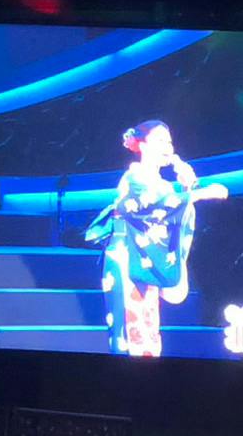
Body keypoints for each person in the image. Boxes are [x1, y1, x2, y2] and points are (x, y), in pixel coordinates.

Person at [85, 120, 228, 357]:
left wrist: (187, 188)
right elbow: (153, 204)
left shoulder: (166, 186)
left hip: (149, 258)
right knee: (127, 329)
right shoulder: (133, 177)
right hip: (126, 256)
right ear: (142, 144)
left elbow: (174, 213)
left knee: (149, 329)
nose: (167, 147)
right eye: (160, 140)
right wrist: (200, 194)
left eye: (169, 142)